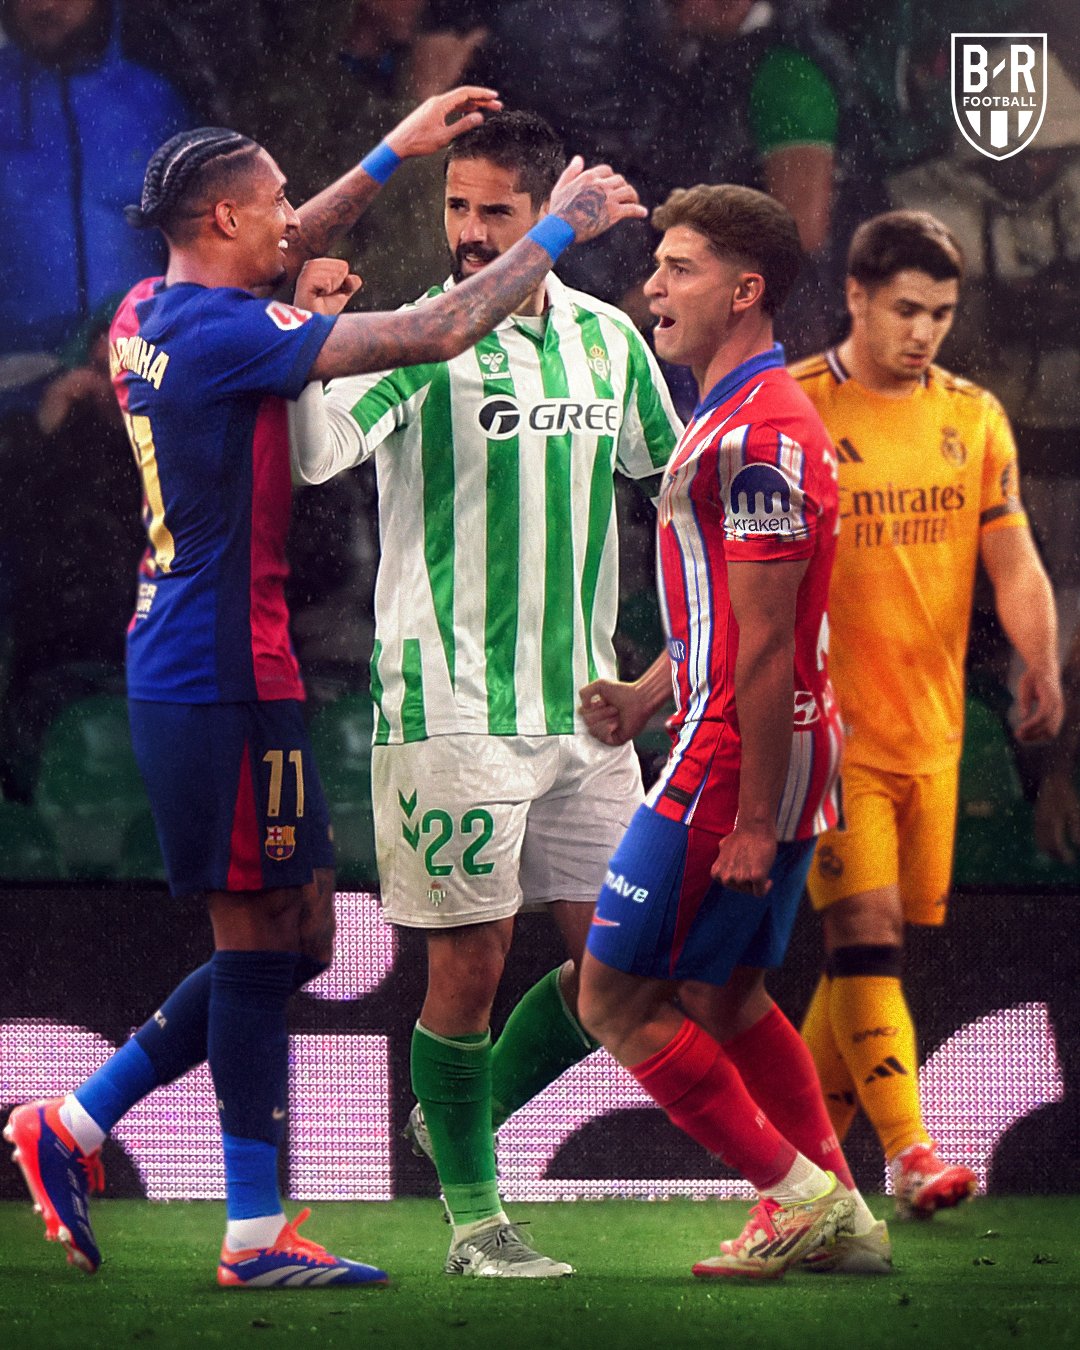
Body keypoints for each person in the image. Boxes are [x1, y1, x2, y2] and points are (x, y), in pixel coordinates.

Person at [4, 91, 645, 1286]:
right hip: (215, 672)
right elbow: (440, 330)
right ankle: (251, 1232)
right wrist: (559, 227)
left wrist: (394, 150)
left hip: (233, 663)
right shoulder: (227, 335)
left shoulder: (149, 309)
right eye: (279, 203)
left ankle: (74, 1124)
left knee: (297, 940)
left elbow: (288, 243)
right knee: (259, 944)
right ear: (226, 217)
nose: (298, 219)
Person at [288, 110, 682, 1278]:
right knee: (469, 964)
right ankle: (475, 1221)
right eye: (457, 207)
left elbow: (676, 492)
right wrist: (308, 342)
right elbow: (316, 455)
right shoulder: (419, 337)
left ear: (545, 213)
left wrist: (674, 658)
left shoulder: (609, 341)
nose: (467, 231)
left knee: (623, 967)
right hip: (450, 705)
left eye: (494, 211)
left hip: (585, 713)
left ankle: (464, 1111)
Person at [574, 183, 888, 1280]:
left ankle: (797, 1197)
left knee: (612, 999)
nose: (653, 288)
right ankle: (847, 1217)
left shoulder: (759, 436)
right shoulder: (741, 410)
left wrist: (751, 818)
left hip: (739, 753)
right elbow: (736, 617)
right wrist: (648, 693)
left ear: (746, 291)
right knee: (726, 992)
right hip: (774, 737)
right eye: (657, 266)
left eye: (681, 268)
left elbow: (761, 645)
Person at [789, 210, 1064, 1218]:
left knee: (865, 957)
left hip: (933, 735)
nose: (924, 331)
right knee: (865, 937)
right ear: (856, 296)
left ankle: (803, 1181)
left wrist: (1043, 662)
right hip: (830, 736)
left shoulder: (974, 417)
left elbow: (1013, 557)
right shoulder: (798, 408)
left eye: (941, 314)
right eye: (907, 309)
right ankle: (910, 1154)